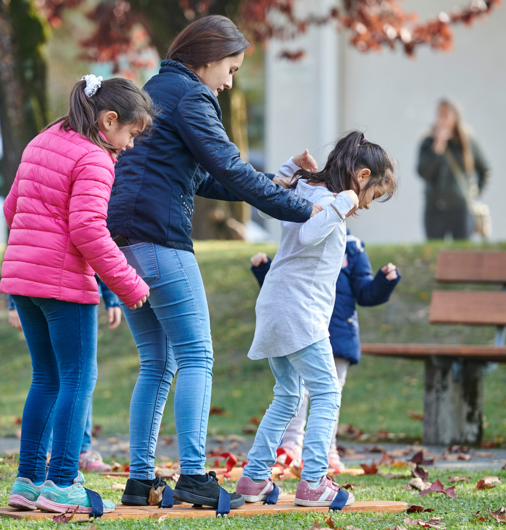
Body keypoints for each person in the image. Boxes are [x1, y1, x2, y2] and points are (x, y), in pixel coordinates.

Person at [107, 15, 322, 512]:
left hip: (122, 245)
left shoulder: (159, 89)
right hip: (160, 240)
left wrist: (280, 182)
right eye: (230, 68)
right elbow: (228, 166)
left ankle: (140, 481)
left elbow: (205, 178)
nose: (229, 82)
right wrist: (305, 209)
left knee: (157, 363)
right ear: (207, 58)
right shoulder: (192, 96)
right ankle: (195, 478)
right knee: (196, 357)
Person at [2, 75, 153, 515]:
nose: (128, 145)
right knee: (77, 379)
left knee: (45, 379)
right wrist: (128, 284)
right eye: (130, 134)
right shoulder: (95, 158)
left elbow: (12, 207)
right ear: (109, 120)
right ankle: (63, 482)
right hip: (63, 283)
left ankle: (28, 481)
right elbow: (87, 229)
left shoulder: (44, 139)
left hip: (23, 281)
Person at [235, 131, 396, 507]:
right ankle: (313, 483)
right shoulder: (328, 200)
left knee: (288, 395)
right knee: (326, 393)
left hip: (276, 306)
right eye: (372, 194)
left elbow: (265, 205)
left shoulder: (305, 190)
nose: (367, 206)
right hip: (298, 311)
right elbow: (309, 235)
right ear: (362, 176)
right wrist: (343, 203)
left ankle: (254, 479)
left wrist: (290, 169)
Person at [248, 230, 400, 474]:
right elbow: (283, 285)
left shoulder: (352, 248)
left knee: (329, 396)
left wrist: (384, 281)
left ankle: (327, 451)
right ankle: (290, 447)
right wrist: (263, 270)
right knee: (295, 393)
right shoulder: (299, 237)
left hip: (337, 336)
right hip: (300, 331)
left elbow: (366, 293)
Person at [5, 277, 122, 473]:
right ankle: (56, 465)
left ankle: (39, 471)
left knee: (64, 378)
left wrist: (111, 298)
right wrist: (12, 302)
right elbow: (98, 248)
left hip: (62, 285)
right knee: (73, 378)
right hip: (62, 289)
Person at [417, 99, 491, 240]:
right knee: (434, 252)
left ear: (455, 117)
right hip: (434, 208)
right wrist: (436, 149)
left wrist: (474, 193)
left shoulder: (467, 141)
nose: (441, 120)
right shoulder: (428, 141)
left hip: (460, 208)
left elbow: (485, 170)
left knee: (462, 254)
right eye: (439, 115)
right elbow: (422, 172)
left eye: (445, 115)